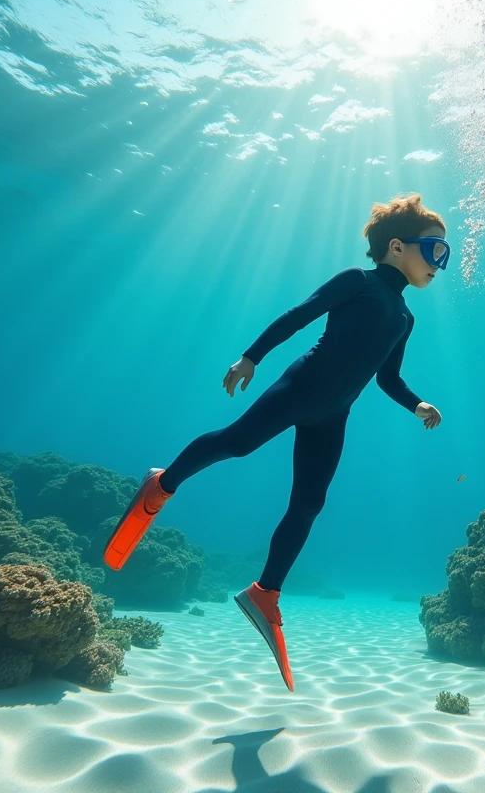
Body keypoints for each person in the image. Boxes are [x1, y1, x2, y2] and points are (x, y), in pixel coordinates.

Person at [103, 193, 448, 692]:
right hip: (300, 387)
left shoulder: (405, 317)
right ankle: (163, 483)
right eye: (435, 251)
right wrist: (250, 357)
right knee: (237, 442)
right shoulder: (359, 281)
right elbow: (300, 315)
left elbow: (387, 377)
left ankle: (266, 593)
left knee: (309, 503)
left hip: (334, 415)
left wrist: (416, 403)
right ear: (397, 246)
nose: (440, 264)